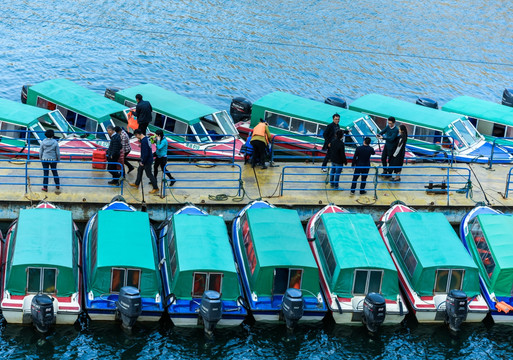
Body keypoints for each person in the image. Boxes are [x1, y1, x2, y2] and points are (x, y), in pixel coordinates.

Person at [129, 129, 159, 194]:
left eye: (136, 136)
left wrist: (142, 162)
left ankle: (156, 188)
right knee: (139, 170)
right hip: (147, 159)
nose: (136, 137)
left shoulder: (144, 141)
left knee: (149, 174)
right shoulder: (146, 138)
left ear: (137, 134)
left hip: (147, 160)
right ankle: (137, 183)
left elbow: (145, 153)